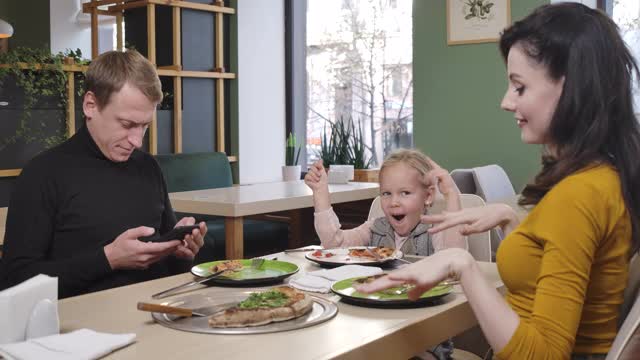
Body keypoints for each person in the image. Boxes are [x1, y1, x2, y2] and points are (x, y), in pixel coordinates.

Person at [357, 3, 640, 359]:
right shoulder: (601, 178)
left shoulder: (579, 195)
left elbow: (544, 355)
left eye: (519, 87)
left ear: (570, 89)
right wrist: (510, 222)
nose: (506, 101)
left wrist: (463, 266)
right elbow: (549, 273)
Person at [0, 50, 207, 299]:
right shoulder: (43, 174)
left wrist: (180, 253)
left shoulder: (147, 167)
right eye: (127, 124)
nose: (137, 141)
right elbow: (15, 281)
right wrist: (108, 259)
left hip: (153, 314)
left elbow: (165, 270)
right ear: (91, 105)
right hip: (79, 328)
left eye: (145, 126)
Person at [304, 149, 467, 256]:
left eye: (405, 193)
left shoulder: (436, 232)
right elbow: (335, 246)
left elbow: (454, 262)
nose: (394, 202)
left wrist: (451, 195)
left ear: (428, 196)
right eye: (386, 193)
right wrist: (320, 195)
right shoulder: (374, 228)